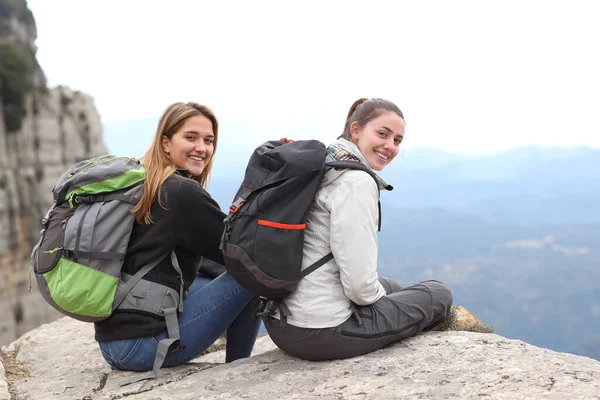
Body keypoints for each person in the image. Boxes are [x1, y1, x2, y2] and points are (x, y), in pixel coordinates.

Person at [263, 98, 453, 361]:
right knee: (437, 293)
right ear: (355, 130)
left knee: (393, 286)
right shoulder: (356, 182)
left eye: (397, 140)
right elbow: (360, 289)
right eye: (382, 134)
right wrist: (381, 307)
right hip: (321, 333)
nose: (390, 146)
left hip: (280, 323)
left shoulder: (323, 165)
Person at [96, 101, 261, 372]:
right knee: (253, 273)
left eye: (209, 140)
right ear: (165, 142)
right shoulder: (182, 193)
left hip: (113, 344)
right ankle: (238, 369)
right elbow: (240, 251)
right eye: (191, 137)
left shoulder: (142, 182)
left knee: (225, 272)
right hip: (143, 347)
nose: (202, 148)